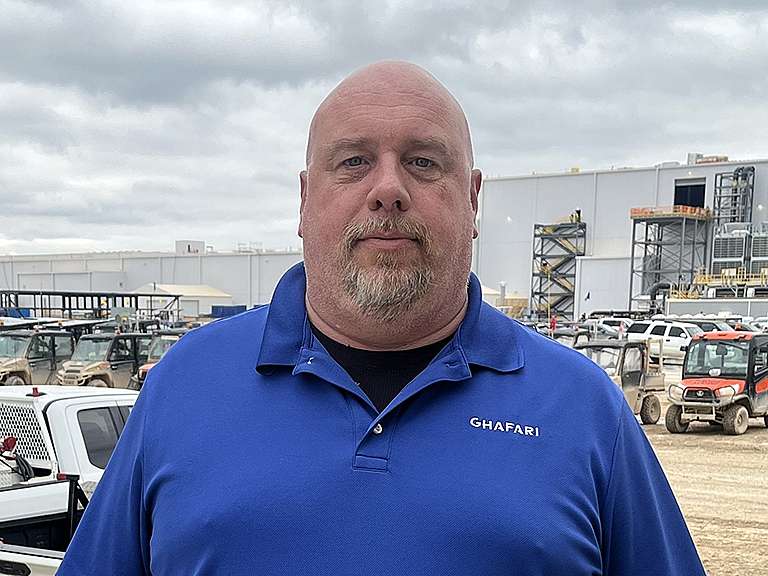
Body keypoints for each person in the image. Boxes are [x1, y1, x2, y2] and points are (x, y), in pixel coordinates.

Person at [58, 61, 705, 575]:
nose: (388, 189)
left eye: (423, 162)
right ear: (305, 199)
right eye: (353, 161)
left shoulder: (583, 408)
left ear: (472, 200)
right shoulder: (185, 385)